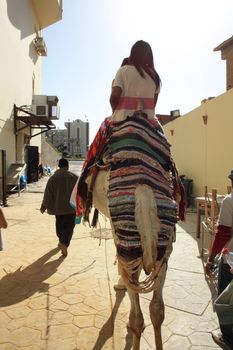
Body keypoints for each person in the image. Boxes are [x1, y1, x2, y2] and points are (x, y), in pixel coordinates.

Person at [205, 169, 233, 350]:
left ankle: (228, 337)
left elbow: (223, 234)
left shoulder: (229, 201)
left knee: (226, 299)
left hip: (231, 258)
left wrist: (210, 259)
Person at [110, 40, 161, 123]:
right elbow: (153, 105)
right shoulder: (155, 76)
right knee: (161, 135)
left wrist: (114, 112)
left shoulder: (122, 71)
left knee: (103, 131)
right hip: (149, 122)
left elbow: (114, 97)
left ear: (132, 54)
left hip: (122, 120)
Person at [40, 158, 78, 257]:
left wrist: (44, 206)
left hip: (58, 209)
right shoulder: (75, 177)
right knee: (69, 227)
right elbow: (81, 192)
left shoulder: (53, 178)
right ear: (68, 166)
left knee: (60, 226)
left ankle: (62, 241)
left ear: (59, 166)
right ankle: (65, 243)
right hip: (72, 209)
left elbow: (48, 194)